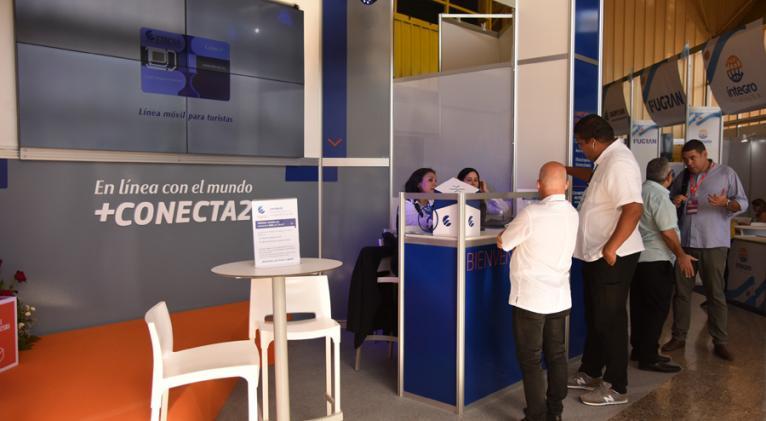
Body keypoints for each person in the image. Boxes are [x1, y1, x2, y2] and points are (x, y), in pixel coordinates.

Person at [565, 114, 644, 406]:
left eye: (581, 144)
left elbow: (633, 208)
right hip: (597, 254)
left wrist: (612, 247)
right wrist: (565, 170)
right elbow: (595, 181)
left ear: (595, 142)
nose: (581, 149)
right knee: (597, 316)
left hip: (612, 256)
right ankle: (591, 371)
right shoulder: (606, 162)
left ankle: (616, 386)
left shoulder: (620, 163)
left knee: (610, 320)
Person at [497, 161, 578, 421]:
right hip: (559, 296)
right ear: (566, 184)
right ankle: (555, 411)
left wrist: (506, 235)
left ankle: (536, 415)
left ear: (538, 184)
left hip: (531, 298)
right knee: (556, 355)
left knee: (531, 360)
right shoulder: (572, 212)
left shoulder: (532, 213)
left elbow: (504, 242)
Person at [662, 139, 748, 361]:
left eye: (693, 158)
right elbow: (670, 198)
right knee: (681, 293)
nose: (689, 163)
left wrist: (726, 203)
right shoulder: (683, 176)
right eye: (685, 159)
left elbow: (743, 203)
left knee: (715, 294)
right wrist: (675, 200)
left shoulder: (726, 173)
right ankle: (679, 336)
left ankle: (720, 341)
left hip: (713, 244)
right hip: (686, 245)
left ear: (704, 154)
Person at [630, 158, 697, 373]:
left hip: (638, 260)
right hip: (657, 261)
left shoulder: (640, 191)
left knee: (639, 308)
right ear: (669, 177)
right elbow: (667, 233)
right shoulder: (660, 196)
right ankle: (649, 357)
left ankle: (639, 350)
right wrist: (682, 255)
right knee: (656, 311)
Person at [402, 168, 437, 234]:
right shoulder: (406, 203)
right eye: (430, 180)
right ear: (418, 183)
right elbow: (416, 224)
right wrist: (438, 219)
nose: (435, 184)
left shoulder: (434, 202)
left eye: (435, 181)